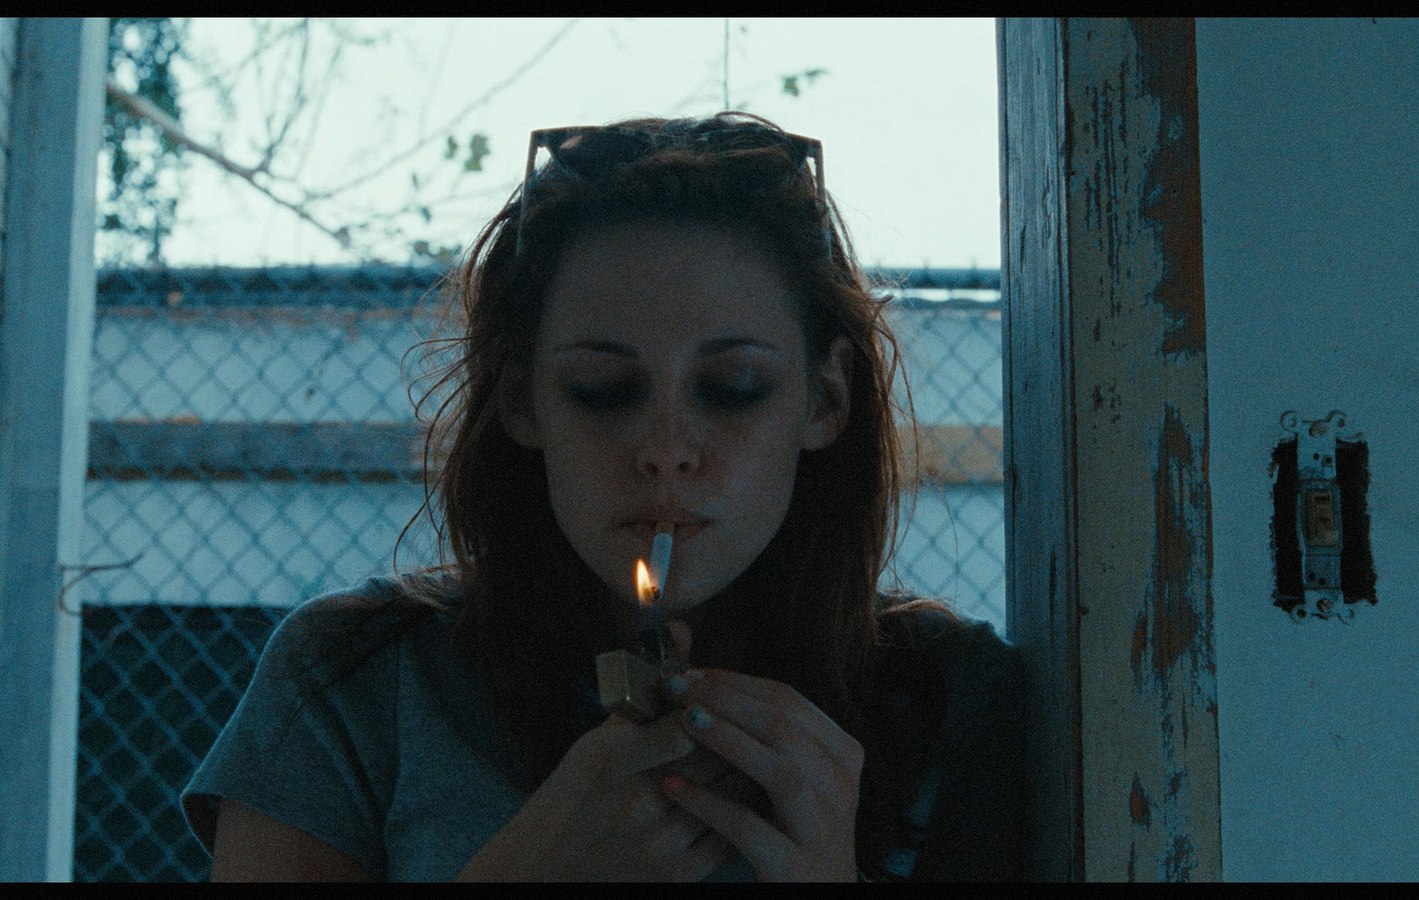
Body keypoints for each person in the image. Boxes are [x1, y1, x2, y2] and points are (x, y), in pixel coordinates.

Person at [181, 112, 1026, 882]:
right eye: (602, 388)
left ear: (825, 401)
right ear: (520, 401)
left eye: (733, 388)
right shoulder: (358, 683)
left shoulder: (952, 698)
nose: (664, 453)